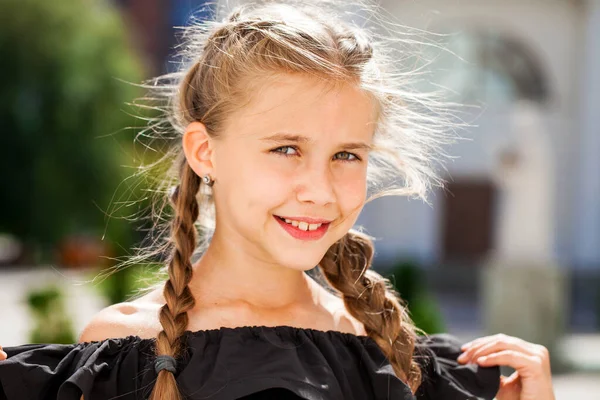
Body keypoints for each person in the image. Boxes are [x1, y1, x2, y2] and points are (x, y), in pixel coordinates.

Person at [0, 1, 555, 399]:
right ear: (205, 152)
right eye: (287, 148)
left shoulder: (398, 358)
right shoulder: (122, 352)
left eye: (347, 155)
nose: (319, 190)